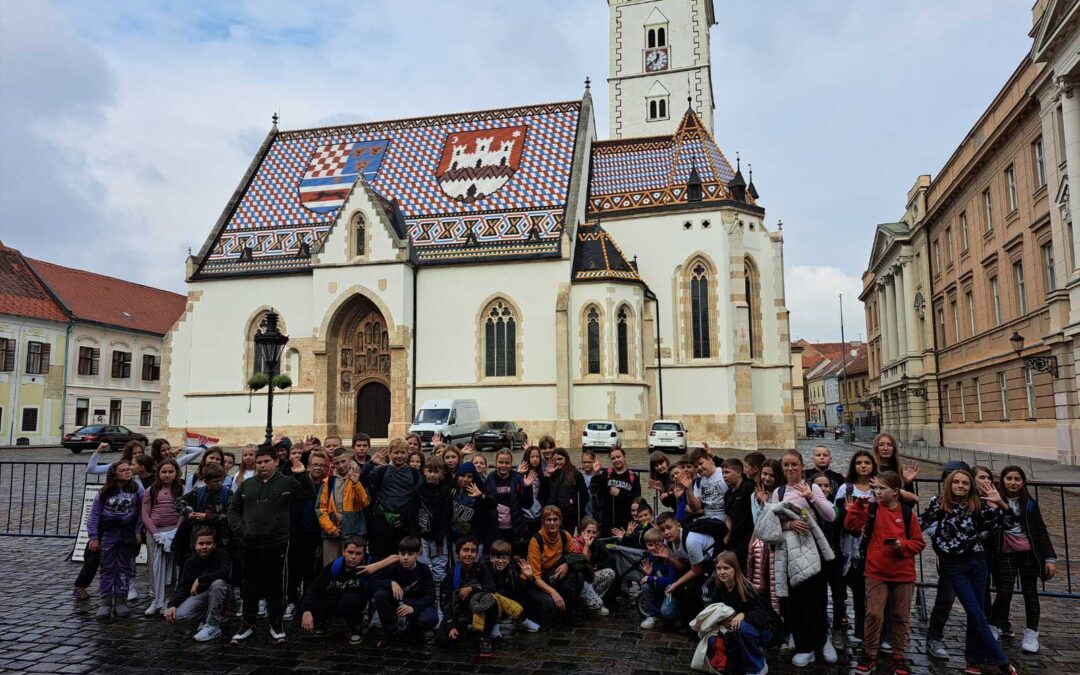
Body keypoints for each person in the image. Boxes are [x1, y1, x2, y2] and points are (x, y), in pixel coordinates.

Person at [920, 468, 1018, 675]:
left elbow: (1009, 522)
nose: (960, 486)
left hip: (977, 563)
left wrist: (1000, 503)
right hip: (954, 565)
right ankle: (1002, 662)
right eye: (956, 482)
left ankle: (972, 661)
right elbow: (920, 523)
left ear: (970, 486)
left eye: (965, 483)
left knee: (978, 613)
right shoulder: (939, 504)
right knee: (974, 611)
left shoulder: (978, 506)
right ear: (949, 484)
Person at [227, 445, 313, 643]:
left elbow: (308, 495)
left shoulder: (287, 482)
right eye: (259, 462)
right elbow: (233, 509)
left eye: (266, 461)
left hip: (276, 543)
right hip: (249, 543)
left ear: (275, 462)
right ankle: (247, 623)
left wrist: (301, 475)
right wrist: (241, 529)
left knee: (275, 585)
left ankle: (276, 623)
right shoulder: (247, 485)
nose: (262, 466)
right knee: (249, 585)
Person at [845, 471, 925, 675]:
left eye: (882, 488)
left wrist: (903, 545)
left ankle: (898, 655)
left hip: (903, 573)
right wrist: (856, 508)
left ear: (896, 491)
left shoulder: (908, 514)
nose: (877, 492)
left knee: (900, 616)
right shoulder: (871, 509)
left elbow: (919, 543)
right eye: (876, 488)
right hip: (876, 571)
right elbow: (851, 526)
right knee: (873, 613)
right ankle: (870, 653)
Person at [763, 451, 837, 667]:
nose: (790, 469)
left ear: (802, 466)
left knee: (815, 599)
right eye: (786, 465)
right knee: (796, 601)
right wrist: (790, 525)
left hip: (811, 549)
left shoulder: (811, 487)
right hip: (789, 552)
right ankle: (805, 646)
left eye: (794, 464)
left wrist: (810, 497)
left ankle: (822, 641)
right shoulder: (779, 492)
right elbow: (772, 524)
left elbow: (830, 515)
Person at [989, 465, 1057, 654]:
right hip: (1005, 553)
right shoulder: (994, 499)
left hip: (1028, 553)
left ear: (1023, 482)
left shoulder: (1029, 503)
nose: (1013, 482)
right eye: (1009, 478)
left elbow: (1040, 530)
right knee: (1004, 591)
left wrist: (1049, 558)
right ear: (1002, 480)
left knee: (1031, 593)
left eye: (1017, 479)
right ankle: (993, 625)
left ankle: (1031, 632)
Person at [924, 459, 972, 661]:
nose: (958, 484)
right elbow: (925, 523)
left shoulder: (976, 502)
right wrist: (943, 537)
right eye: (952, 479)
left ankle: (979, 642)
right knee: (945, 599)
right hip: (949, 559)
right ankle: (934, 637)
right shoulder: (938, 501)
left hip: (974, 559)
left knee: (978, 603)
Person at [702, 551, 776, 675]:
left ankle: (757, 666)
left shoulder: (747, 588)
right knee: (711, 640)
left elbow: (764, 615)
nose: (722, 572)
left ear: (735, 569)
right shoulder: (719, 590)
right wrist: (721, 620)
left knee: (743, 628)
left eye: (726, 568)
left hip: (758, 630)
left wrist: (744, 615)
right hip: (731, 630)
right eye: (719, 568)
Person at [87, 460, 144, 620]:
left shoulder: (136, 490)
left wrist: (138, 531)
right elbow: (94, 515)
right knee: (107, 568)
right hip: (108, 534)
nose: (128, 472)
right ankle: (105, 602)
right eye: (123, 470)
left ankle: (121, 600)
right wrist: (93, 537)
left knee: (124, 569)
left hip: (126, 534)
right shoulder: (105, 492)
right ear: (115, 474)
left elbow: (141, 512)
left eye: (129, 469)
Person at [300, 536, 378, 644]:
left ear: (364, 554)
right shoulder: (335, 566)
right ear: (343, 552)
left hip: (356, 601)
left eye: (358, 553)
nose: (353, 557)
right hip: (338, 596)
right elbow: (315, 588)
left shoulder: (369, 566)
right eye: (350, 552)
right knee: (315, 599)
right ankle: (321, 623)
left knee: (351, 599)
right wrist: (307, 611)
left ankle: (355, 627)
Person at [834, 449, 877, 641]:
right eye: (859, 462)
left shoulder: (877, 488)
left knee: (863, 592)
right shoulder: (846, 489)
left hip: (871, 546)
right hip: (850, 547)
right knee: (843, 589)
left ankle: (863, 631)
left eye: (867, 462)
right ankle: (840, 625)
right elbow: (838, 517)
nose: (863, 466)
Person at [164, 526, 232, 641]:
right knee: (179, 616)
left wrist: (201, 579)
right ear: (195, 546)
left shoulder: (222, 555)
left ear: (214, 544)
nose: (204, 547)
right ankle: (205, 618)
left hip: (221, 594)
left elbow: (225, 573)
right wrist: (173, 605)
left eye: (208, 543)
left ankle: (213, 625)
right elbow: (184, 586)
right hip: (201, 596)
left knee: (218, 584)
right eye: (201, 543)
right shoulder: (190, 563)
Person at [370, 536, 439, 644]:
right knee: (380, 595)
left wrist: (414, 608)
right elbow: (372, 582)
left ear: (417, 554)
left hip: (416, 603)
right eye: (402, 554)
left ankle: (415, 628)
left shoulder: (423, 569)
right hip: (398, 602)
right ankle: (390, 632)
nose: (405, 558)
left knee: (429, 618)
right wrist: (390, 583)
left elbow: (431, 595)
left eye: (410, 554)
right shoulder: (393, 567)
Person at [362, 439, 421, 560]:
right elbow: (362, 480)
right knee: (381, 557)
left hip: (404, 523)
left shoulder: (414, 473)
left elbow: (417, 498)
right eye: (396, 453)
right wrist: (371, 463)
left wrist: (406, 517)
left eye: (402, 453)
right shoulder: (381, 471)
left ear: (407, 453)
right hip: (382, 519)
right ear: (390, 453)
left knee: (403, 557)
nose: (399, 456)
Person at [439, 536, 498, 657]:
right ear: (458, 553)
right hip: (459, 611)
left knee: (492, 601)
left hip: (479, 609)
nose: (469, 554)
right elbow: (445, 600)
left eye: (473, 551)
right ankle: (462, 628)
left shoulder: (480, 568)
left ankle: (485, 637)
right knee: (442, 641)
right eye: (465, 550)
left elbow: (491, 588)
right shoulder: (452, 573)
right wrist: (450, 625)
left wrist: (472, 588)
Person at [527, 505, 585, 627]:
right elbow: (535, 577)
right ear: (543, 522)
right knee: (550, 606)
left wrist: (567, 565)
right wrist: (553, 592)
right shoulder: (536, 541)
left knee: (578, 575)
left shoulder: (565, 535)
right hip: (541, 581)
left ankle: (570, 612)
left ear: (560, 521)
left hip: (557, 574)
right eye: (549, 520)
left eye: (555, 519)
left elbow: (578, 557)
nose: (552, 523)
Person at [655, 511, 714, 625]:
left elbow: (697, 571)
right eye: (662, 530)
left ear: (678, 525)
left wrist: (675, 584)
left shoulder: (690, 541)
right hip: (695, 566)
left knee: (694, 591)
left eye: (669, 527)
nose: (666, 532)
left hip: (710, 565)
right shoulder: (668, 542)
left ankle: (701, 623)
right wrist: (670, 558)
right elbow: (683, 567)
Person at [141, 458, 184, 616]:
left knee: (170, 567)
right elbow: (145, 514)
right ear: (158, 473)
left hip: (172, 531)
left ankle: (167, 598)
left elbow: (182, 512)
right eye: (164, 472)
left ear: (176, 473)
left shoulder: (181, 489)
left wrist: (176, 530)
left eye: (170, 472)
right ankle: (155, 599)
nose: (167, 475)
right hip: (155, 532)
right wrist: (155, 532)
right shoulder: (151, 490)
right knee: (154, 565)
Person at [174, 463, 232, 572]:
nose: (219, 483)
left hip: (220, 539)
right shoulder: (198, 493)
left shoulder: (227, 494)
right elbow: (178, 502)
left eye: (221, 480)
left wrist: (207, 517)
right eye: (215, 481)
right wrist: (188, 513)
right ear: (206, 481)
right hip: (198, 536)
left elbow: (230, 517)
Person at [319, 448, 370, 565]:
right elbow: (320, 509)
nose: (341, 466)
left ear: (349, 460)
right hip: (332, 532)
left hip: (354, 531)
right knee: (330, 566)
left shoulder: (359, 477)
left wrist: (356, 484)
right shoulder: (328, 482)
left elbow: (365, 502)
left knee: (353, 564)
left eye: (343, 461)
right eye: (337, 463)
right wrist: (331, 529)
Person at [479, 539, 541, 635]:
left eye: (504, 558)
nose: (500, 561)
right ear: (491, 558)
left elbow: (520, 587)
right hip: (488, 603)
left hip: (505, 601)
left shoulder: (510, 569)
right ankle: (493, 624)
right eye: (497, 557)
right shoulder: (483, 568)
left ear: (508, 559)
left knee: (524, 591)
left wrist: (529, 577)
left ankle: (523, 619)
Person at [486, 449, 535, 551]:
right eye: (501, 462)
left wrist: (527, 487)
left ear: (511, 463)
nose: (503, 465)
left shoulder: (517, 478)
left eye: (507, 463)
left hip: (514, 529)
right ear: (496, 463)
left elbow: (527, 504)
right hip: (495, 530)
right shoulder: (490, 478)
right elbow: (487, 502)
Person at [637, 527, 680, 629]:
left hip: (673, 590)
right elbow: (650, 579)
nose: (653, 548)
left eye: (657, 544)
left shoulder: (668, 556)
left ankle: (676, 613)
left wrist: (652, 578)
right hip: (662, 589)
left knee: (667, 612)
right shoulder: (652, 557)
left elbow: (671, 581)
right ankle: (653, 615)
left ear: (663, 543)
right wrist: (649, 574)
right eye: (650, 545)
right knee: (645, 586)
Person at [573, 517, 615, 616]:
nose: (591, 535)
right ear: (581, 531)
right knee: (597, 605)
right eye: (588, 531)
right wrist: (586, 547)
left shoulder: (594, 543)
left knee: (609, 573)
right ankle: (584, 605)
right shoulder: (575, 543)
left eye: (594, 532)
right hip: (578, 582)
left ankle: (591, 601)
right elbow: (576, 564)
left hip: (588, 578)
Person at [540, 448, 590, 529]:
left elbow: (584, 495)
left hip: (568, 515)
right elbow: (542, 493)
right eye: (555, 459)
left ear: (566, 459)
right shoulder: (550, 473)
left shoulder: (575, 474)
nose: (557, 462)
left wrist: (572, 501)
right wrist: (548, 475)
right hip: (552, 515)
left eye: (560, 459)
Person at [598, 447, 640, 535]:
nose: (616, 460)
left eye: (618, 457)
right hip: (608, 520)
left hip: (626, 520)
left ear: (624, 457)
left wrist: (620, 494)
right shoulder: (606, 473)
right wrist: (595, 473)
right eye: (613, 458)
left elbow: (637, 499)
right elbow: (598, 493)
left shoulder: (633, 477)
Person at [722, 458, 755, 569]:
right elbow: (729, 518)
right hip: (734, 540)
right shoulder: (727, 494)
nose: (724, 476)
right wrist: (725, 539)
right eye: (722, 473)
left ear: (739, 472)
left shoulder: (748, 487)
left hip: (748, 538)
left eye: (727, 472)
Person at [871, 432, 920, 503]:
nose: (885, 448)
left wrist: (908, 482)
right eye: (881, 445)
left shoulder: (898, 469)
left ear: (894, 448)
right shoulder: (871, 470)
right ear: (876, 448)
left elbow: (910, 504)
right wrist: (902, 493)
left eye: (889, 445)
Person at [684, 447, 728, 522]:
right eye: (696, 466)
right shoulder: (698, 481)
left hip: (724, 519)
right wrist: (688, 489)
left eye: (701, 463)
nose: (699, 468)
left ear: (709, 459)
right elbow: (696, 508)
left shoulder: (723, 473)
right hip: (705, 520)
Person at [519, 446, 544, 538]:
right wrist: (519, 475)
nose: (535, 459)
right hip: (524, 516)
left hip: (537, 514)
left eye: (537, 457)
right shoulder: (521, 474)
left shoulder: (541, 475)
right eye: (532, 457)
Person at [579, 449, 601, 517]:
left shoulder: (599, 477)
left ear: (593, 462)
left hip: (595, 514)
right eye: (584, 462)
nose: (586, 464)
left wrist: (596, 473)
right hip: (583, 514)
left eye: (589, 462)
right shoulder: (579, 477)